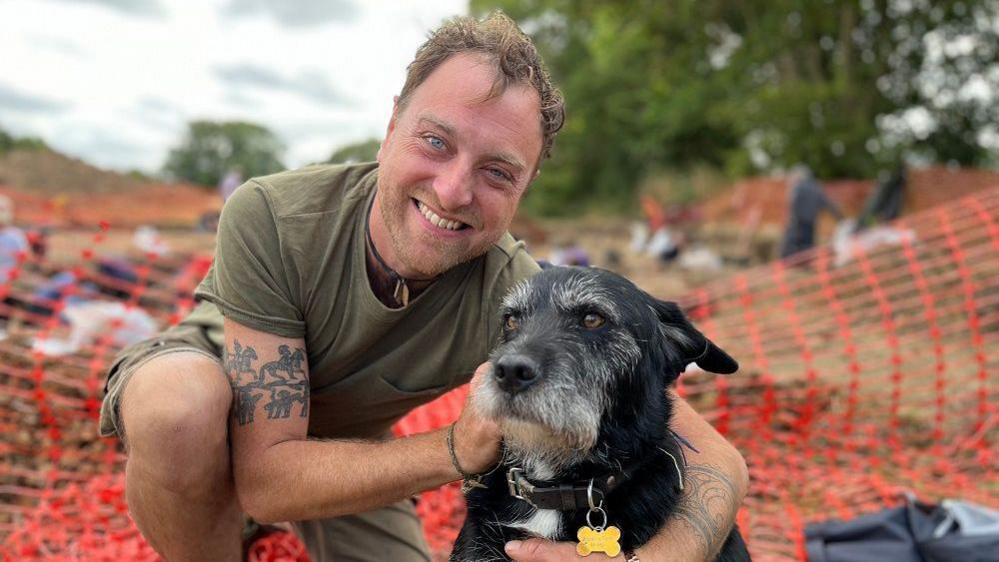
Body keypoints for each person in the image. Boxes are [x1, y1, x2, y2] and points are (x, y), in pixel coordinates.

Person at [98, 12, 748, 562]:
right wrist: (455, 450)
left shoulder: (517, 296)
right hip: (220, 397)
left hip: (342, 444)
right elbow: (268, 479)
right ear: (391, 125)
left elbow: (717, 461)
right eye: (435, 141)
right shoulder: (272, 213)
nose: (453, 190)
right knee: (179, 411)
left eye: (497, 172)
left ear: (523, 192)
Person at [779, 164, 844, 258]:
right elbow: (828, 204)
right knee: (807, 247)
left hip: (797, 223)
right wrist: (841, 219)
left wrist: (789, 221)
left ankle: (787, 265)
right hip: (810, 223)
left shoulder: (798, 188)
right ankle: (805, 266)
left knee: (791, 247)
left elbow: (792, 205)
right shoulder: (816, 187)